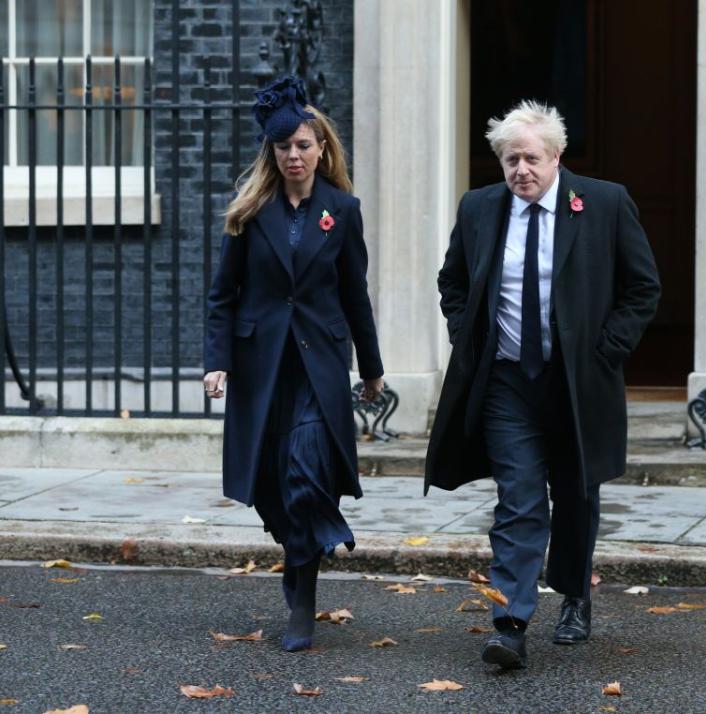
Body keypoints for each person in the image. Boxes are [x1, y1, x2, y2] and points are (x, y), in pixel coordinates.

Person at [425, 100, 660, 669]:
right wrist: (466, 333)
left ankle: (575, 595)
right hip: (508, 382)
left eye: (530, 158)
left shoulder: (602, 203)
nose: (520, 170)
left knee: (577, 496)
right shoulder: (480, 208)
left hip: (577, 382)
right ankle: (510, 622)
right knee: (519, 499)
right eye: (510, 160)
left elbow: (642, 287)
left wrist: (607, 351)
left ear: (556, 156)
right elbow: (452, 280)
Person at [203, 76, 384, 652]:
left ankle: (303, 600)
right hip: (261, 366)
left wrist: (372, 368)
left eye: (304, 145)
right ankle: (303, 546)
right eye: (284, 148)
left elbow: (355, 294)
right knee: (271, 486)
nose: (294, 155)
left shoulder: (343, 210)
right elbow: (221, 296)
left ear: (322, 148)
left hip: (319, 364)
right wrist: (217, 362)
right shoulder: (249, 212)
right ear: (272, 153)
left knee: (306, 469)